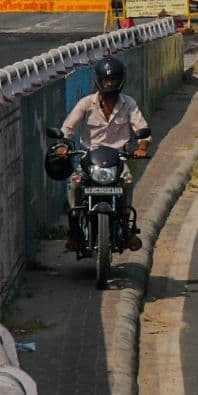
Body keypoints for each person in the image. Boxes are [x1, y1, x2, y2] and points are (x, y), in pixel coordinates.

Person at [55, 57, 151, 253]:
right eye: (106, 79)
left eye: (114, 79)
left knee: (127, 182)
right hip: (89, 158)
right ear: (99, 80)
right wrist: (63, 145)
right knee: (74, 185)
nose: (110, 83)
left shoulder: (129, 104)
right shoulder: (86, 103)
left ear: (120, 80)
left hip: (118, 158)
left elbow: (142, 128)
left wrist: (142, 147)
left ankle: (126, 227)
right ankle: (73, 231)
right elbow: (68, 127)